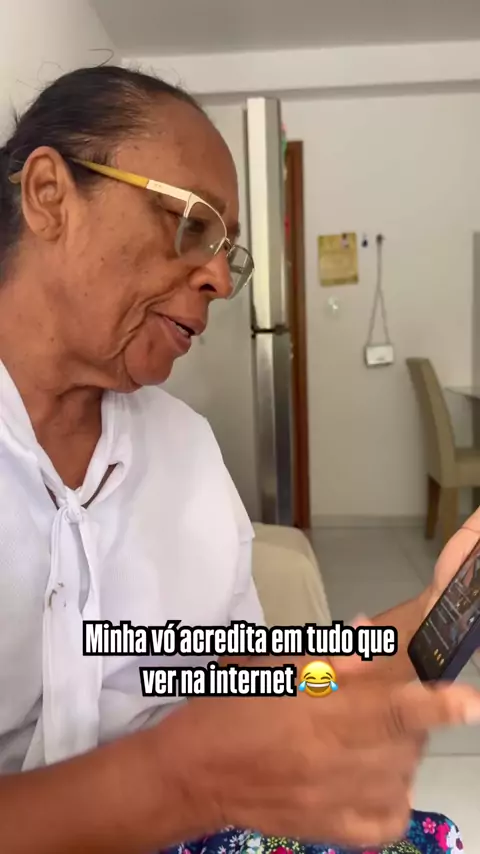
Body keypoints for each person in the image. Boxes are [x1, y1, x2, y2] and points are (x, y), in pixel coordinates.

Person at [0, 64, 478, 854]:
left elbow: (242, 676)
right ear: (51, 195)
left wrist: (426, 621)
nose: (221, 279)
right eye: (192, 223)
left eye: (231, 251)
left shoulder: (184, 450)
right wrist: (180, 781)